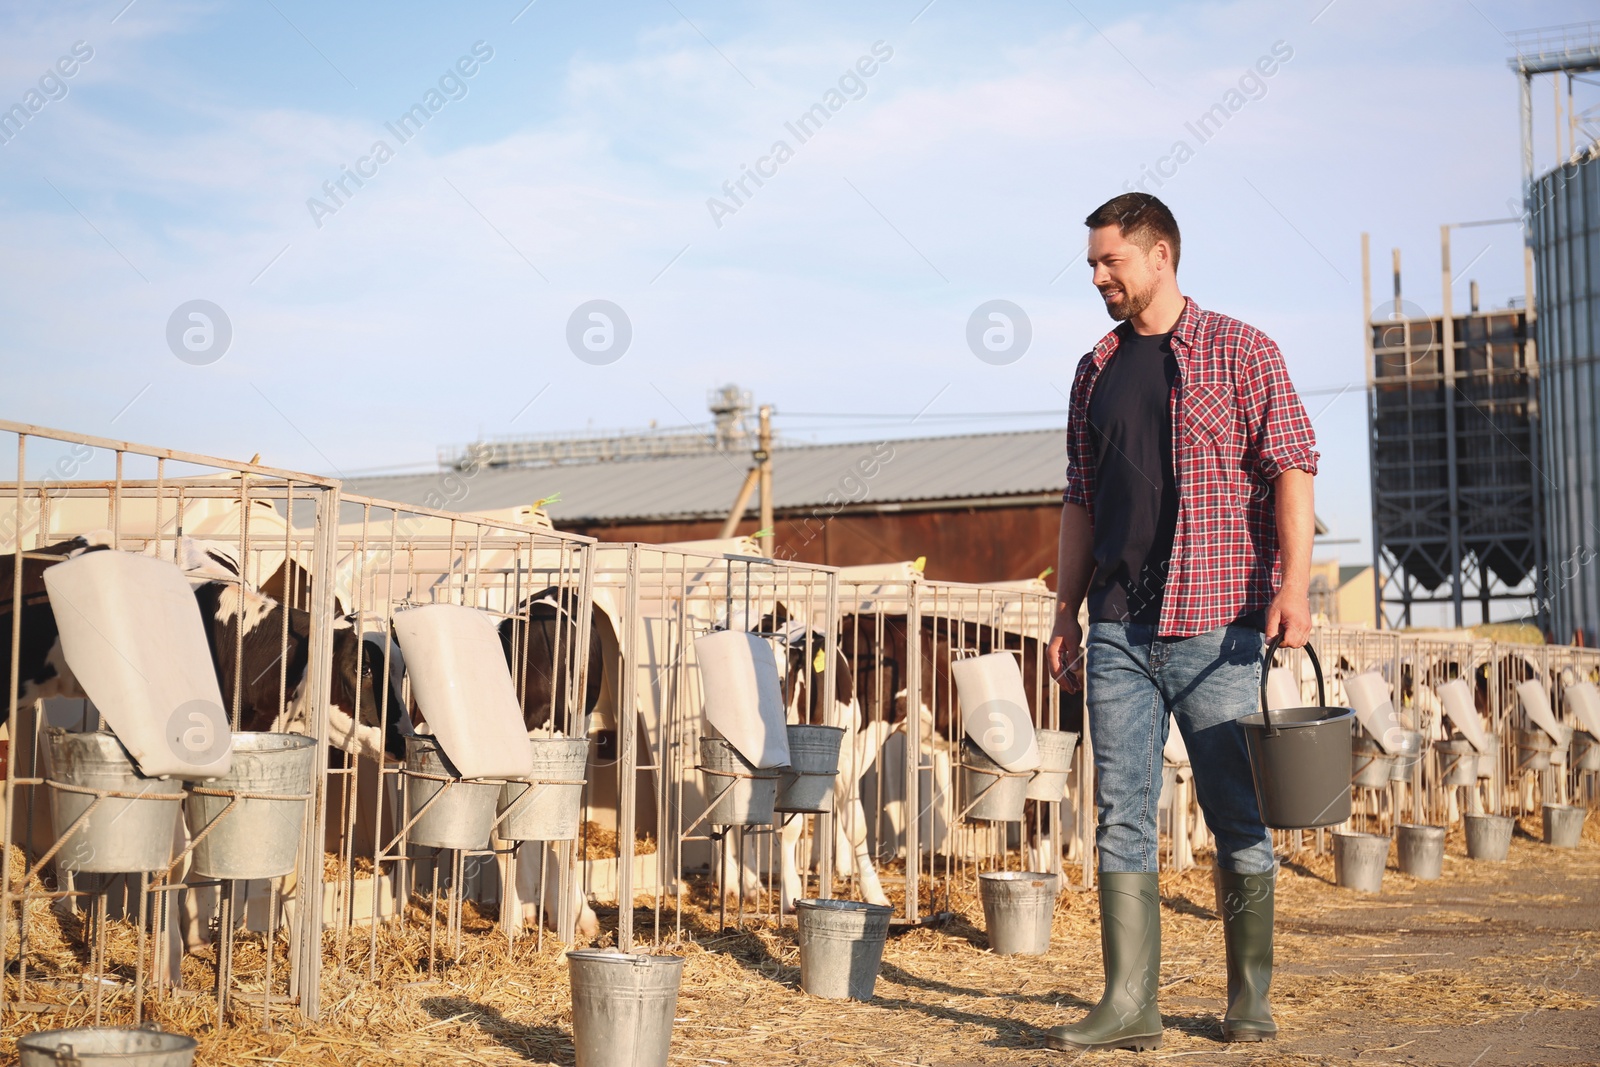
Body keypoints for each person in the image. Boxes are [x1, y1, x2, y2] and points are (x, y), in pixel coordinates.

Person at [1044, 193, 1318, 1051]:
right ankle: (1130, 1002)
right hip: (1119, 626)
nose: (1098, 277)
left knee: (1235, 811)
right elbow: (1080, 497)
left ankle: (1249, 996)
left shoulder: (1243, 351)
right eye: (1093, 263)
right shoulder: (1093, 368)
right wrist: (1063, 611)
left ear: (1160, 256)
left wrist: (1296, 586)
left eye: (1110, 261)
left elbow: (1294, 468)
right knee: (1120, 813)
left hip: (1218, 624)